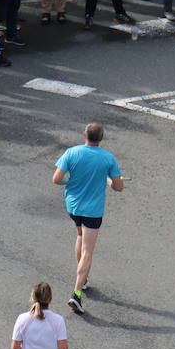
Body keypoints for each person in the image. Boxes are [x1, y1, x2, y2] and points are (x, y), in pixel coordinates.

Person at [53, 123, 124, 314]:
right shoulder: (108, 158)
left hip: (73, 206)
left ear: (85, 135)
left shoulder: (72, 152)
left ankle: (83, 280)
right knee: (88, 251)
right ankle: (76, 293)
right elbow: (119, 187)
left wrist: (71, 181)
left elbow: (57, 179)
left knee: (80, 236)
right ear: (101, 138)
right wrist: (110, 179)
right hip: (92, 211)